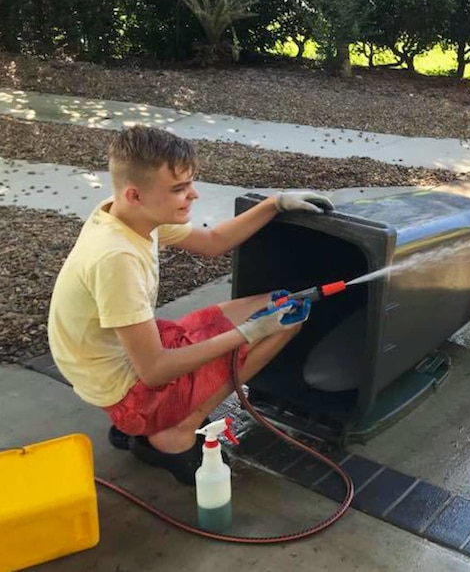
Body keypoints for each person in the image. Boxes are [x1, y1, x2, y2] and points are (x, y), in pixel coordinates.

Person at [47, 125, 333, 485]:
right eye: (179, 189)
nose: (193, 195)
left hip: (108, 358)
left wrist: (275, 203)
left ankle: (155, 422)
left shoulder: (128, 216)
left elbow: (214, 241)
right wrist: (249, 333)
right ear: (135, 194)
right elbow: (154, 371)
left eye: (190, 184)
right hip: (123, 388)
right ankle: (175, 431)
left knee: (277, 304)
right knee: (284, 323)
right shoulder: (115, 258)